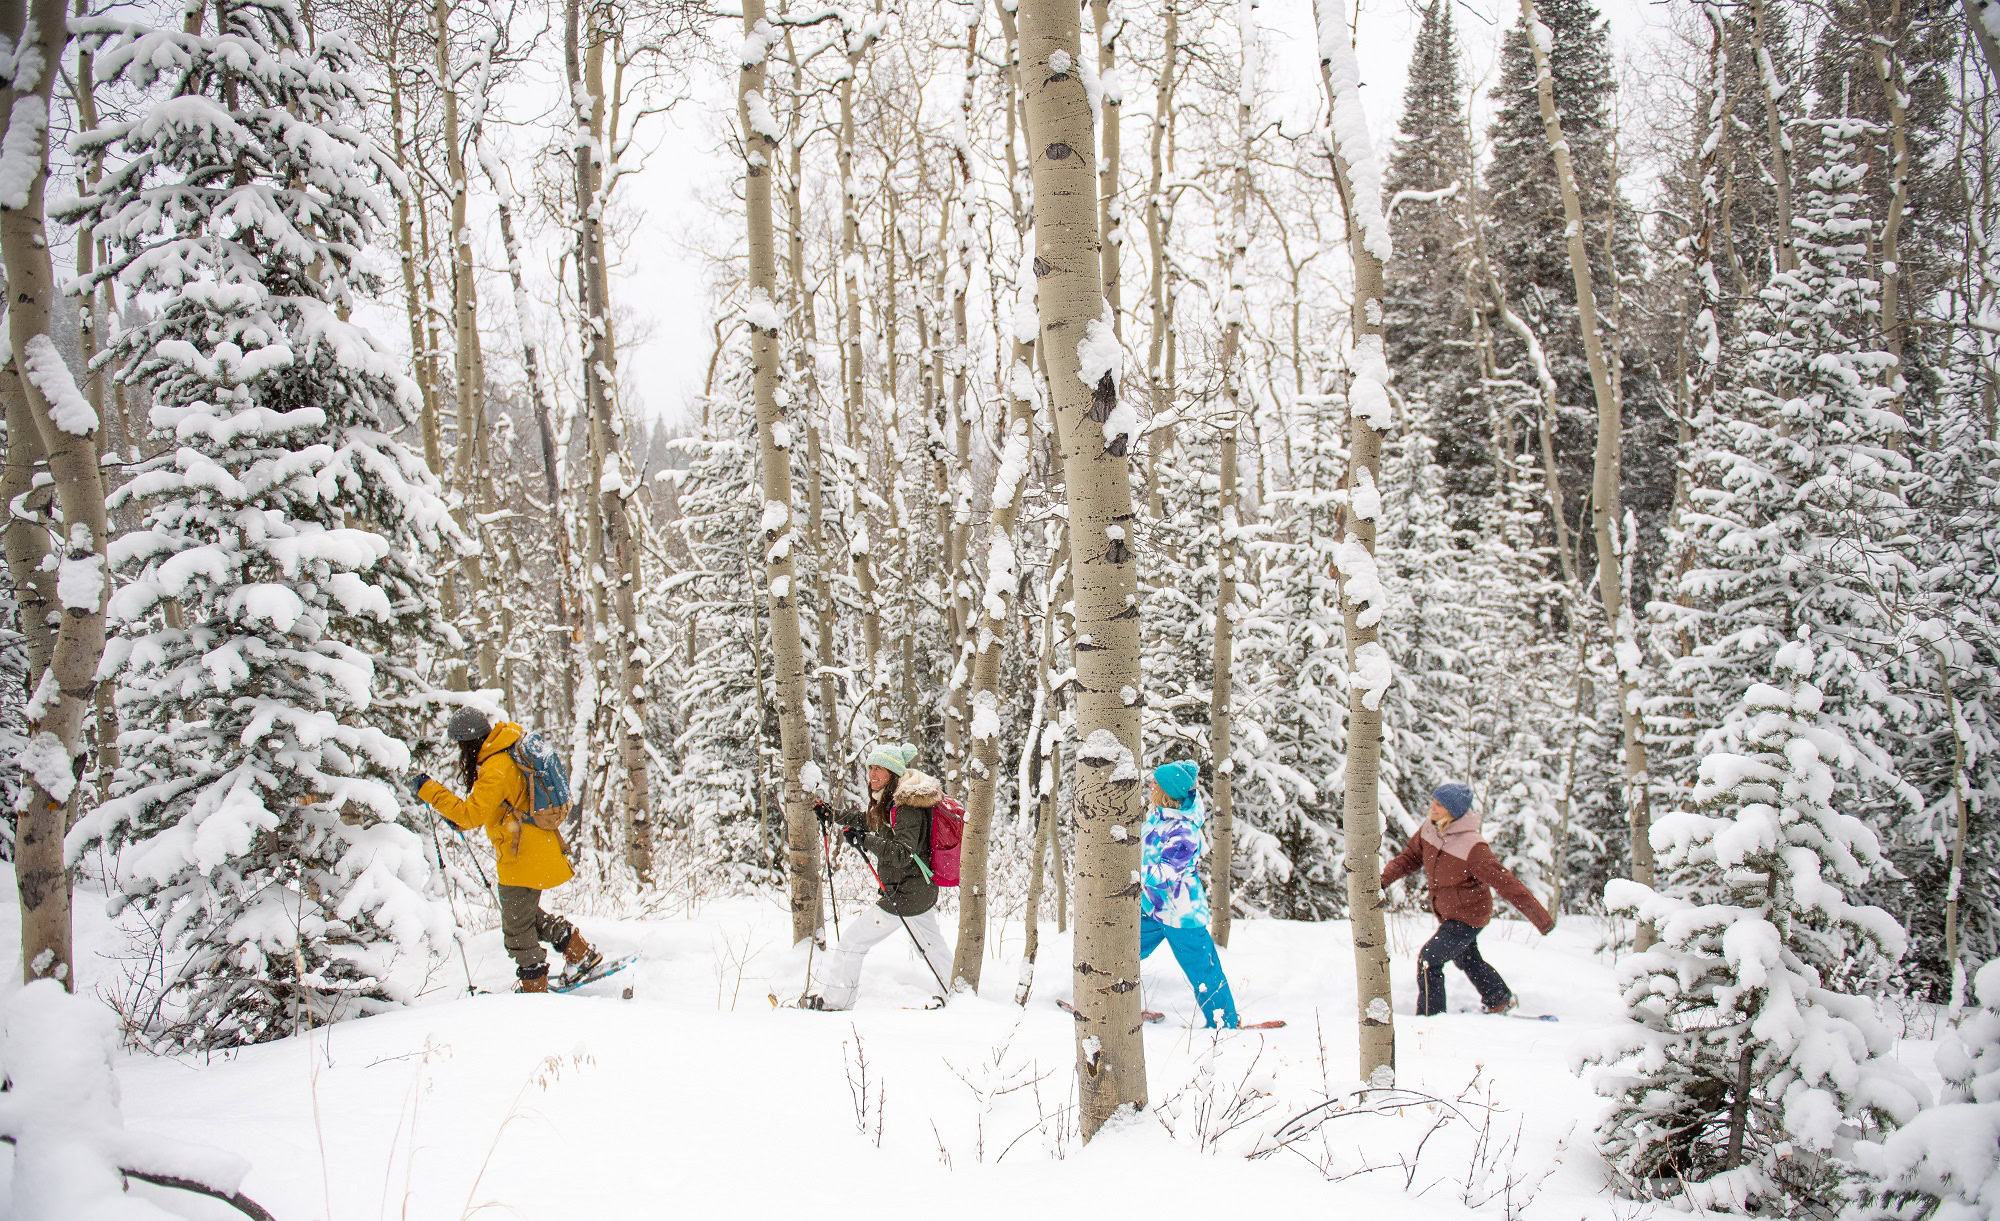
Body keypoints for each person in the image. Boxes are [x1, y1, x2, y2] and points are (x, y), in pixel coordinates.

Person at [410, 708, 601, 994]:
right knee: (524, 916)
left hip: (523, 853)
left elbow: (469, 816)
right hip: (530, 848)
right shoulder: (503, 753)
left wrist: (430, 791)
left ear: (469, 743)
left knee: (516, 930)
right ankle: (581, 954)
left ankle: (534, 988)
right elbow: (490, 808)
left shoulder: (496, 767)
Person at [799, 742, 954, 1010]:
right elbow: (868, 820)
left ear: (892, 773)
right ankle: (957, 993)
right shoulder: (891, 802)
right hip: (916, 891)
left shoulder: (906, 807)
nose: (872, 774)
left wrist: (866, 842)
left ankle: (836, 1000)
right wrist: (833, 815)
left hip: (905, 893)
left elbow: (904, 852)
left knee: (852, 941)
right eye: (870, 767)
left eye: (879, 768)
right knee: (930, 946)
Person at [1379, 781, 1553, 1016]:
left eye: (1439, 804)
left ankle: (1431, 1017)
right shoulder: (1430, 829)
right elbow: (1409, 858)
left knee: (1429, 959)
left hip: (1469, 915)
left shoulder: (1473, 847)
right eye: (1433, 801)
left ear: (1453, 811)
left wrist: (1541, 919)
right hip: (1449, 912)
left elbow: (1506, 883)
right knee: (1468, 959)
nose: (1432, 807)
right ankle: (1499, 998)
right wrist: (1381, 881)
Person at [1139, 761, 1240, 1028]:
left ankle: (1224, 1023)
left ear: (1166, 792)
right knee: (1121, 948)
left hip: (1181, 913)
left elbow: (1164, 874)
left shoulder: (1183, 832)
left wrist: (1130, 874)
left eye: (1155, 784)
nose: (1151, 786)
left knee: (1202, 970)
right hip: (1153, 907)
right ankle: (1110, 1001)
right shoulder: (1160, 816)